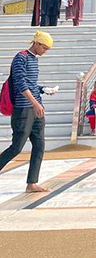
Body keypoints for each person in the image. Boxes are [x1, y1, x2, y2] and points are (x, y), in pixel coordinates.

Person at [0, 31, 56, 192]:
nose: (45, 51)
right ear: (36, 44)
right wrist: (34, 103)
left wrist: (44, 89)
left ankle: (32, 183)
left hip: (36, 107)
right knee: (17, 146)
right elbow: (20, 83)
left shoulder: (34, 60)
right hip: (23, 109)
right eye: (44, 48)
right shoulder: (21, 57)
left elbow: (31, 84)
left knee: (39, 144)